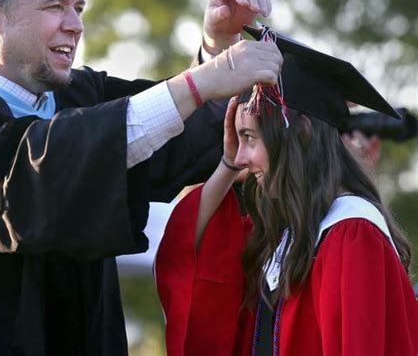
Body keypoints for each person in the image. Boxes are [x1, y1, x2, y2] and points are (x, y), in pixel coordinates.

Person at [0, 0, 284, 355]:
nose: (75, 24)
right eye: (55, 7)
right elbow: (39, 172)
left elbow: (172, 133)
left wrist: (216, 50)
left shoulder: (79, 95)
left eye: (78, 8)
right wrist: (200, 83)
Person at [155, 25, 418, 355]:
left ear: (302, 133)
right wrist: (227, 164)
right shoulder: (283, 235)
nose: (243, 156)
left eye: (249, 138)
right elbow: (188, 250)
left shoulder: (351, 232)